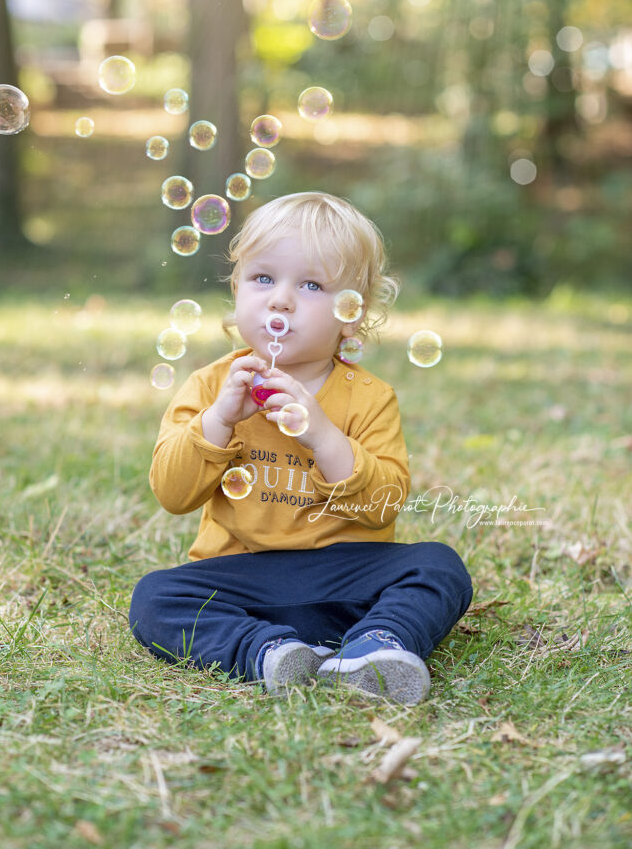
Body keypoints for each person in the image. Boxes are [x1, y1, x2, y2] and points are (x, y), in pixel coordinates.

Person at [129, 192, 473, 704]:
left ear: (350, 315)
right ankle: (271, 652)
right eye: (263, 278)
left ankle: (375, 645)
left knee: (440, 567)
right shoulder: (211, 388)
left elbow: (382, 506)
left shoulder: (369, 398)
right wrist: (219, 420)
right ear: (237, 290)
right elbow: (172, 493)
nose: (281, 300)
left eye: (311, 285)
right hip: (243, 579)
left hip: (347, 579)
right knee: (155, 597)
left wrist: (322, 435)